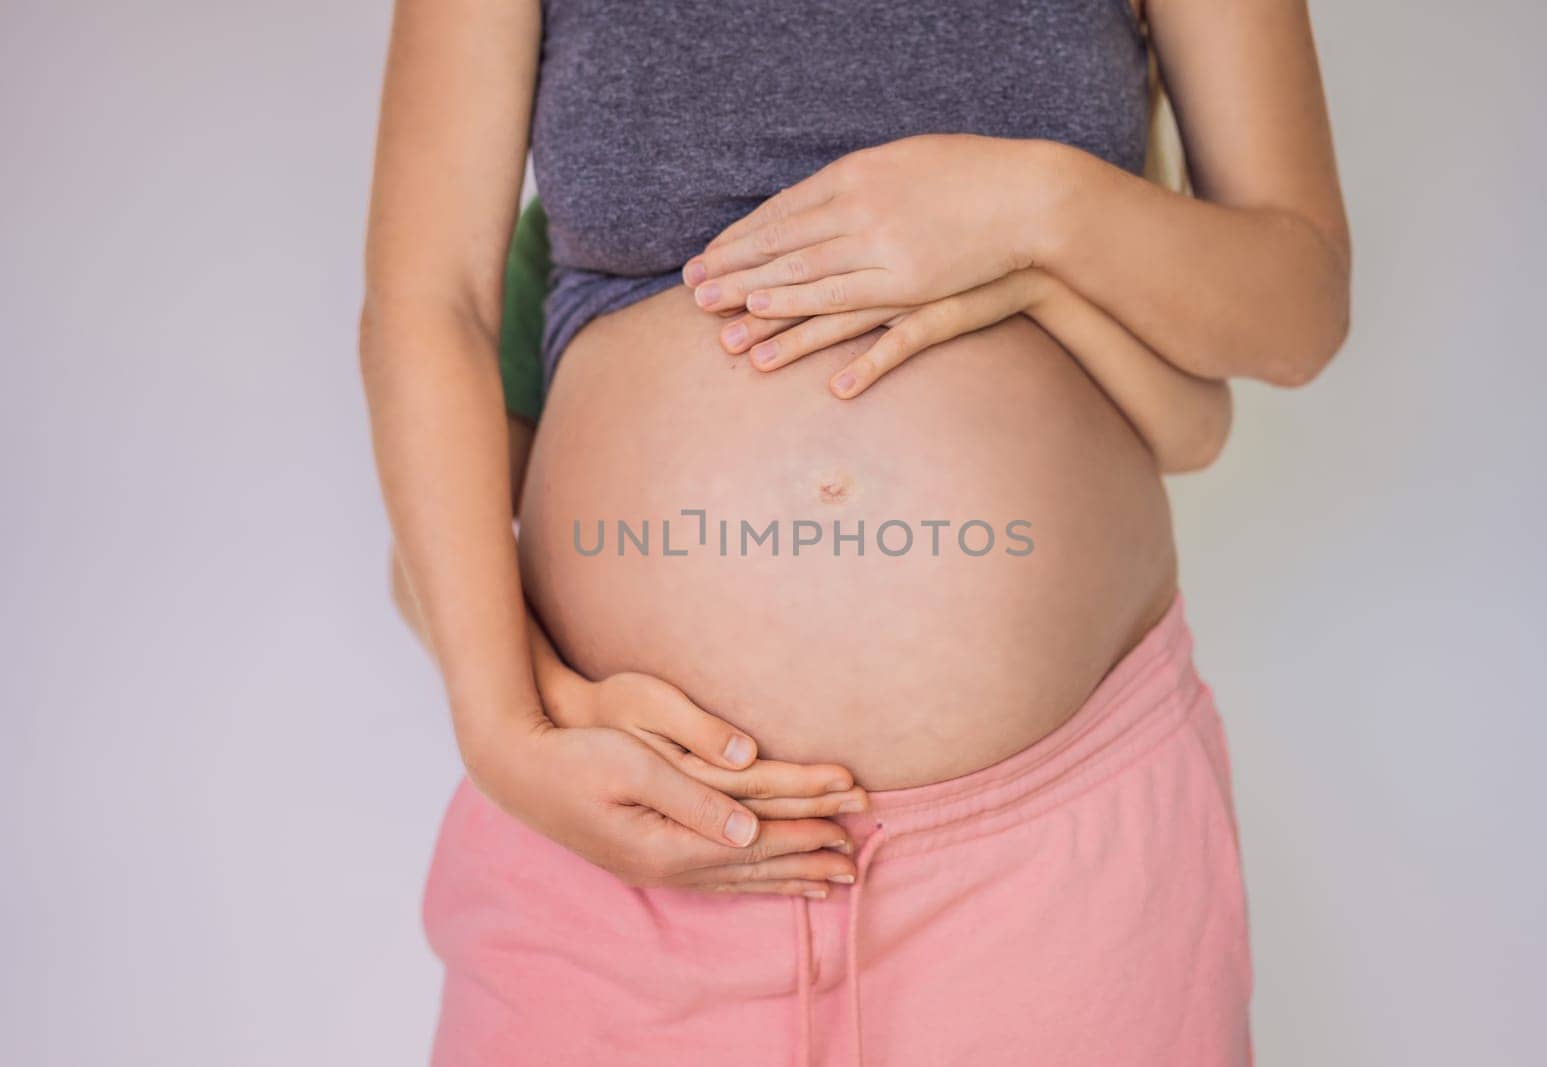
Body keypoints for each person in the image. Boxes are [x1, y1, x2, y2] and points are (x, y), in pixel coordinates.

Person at [360, 1, 1350, 1063]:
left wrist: (1035, 200)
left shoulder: (1066, 250)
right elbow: (430, 306)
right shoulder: (540, 272)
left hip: (1056, 854)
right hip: (629, 854)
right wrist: (512, 728)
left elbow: (1299, 306)